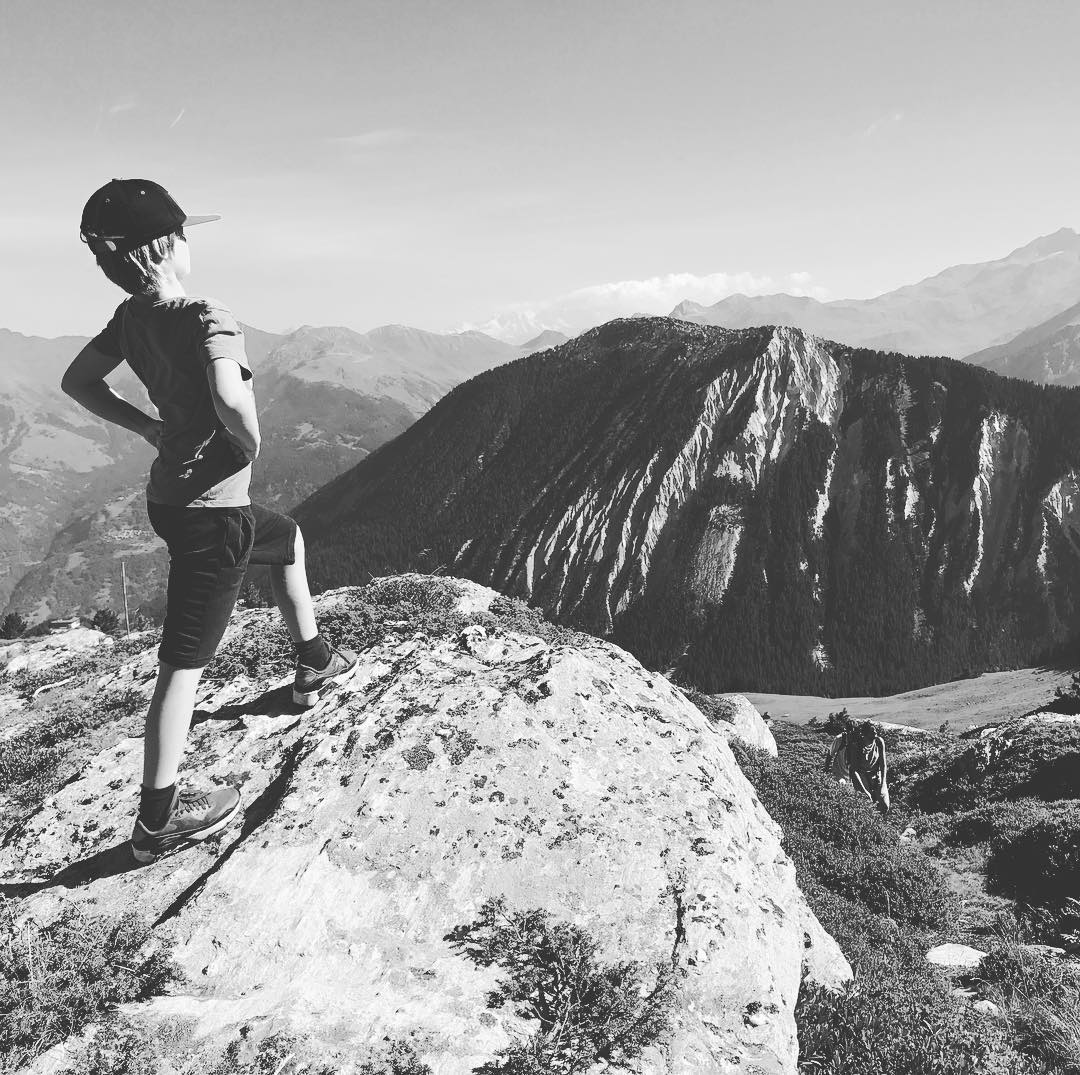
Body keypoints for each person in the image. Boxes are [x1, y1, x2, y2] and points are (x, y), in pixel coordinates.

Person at [63, 178, 357, 864]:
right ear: (167, 244)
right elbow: (230, 396)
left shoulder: (129, 318)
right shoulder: (207, 314)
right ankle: (157, 821)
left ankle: (314, 662)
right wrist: (249, 443)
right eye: (184, 232)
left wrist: (146, 426)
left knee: (286, 538)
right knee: (182, 665)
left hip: (173, 500)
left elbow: (78, 381)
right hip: (213, 514)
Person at [824, 719, 890, 815]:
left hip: (858, 775)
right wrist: (826, 770)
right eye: (849, 731)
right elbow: (830, 754)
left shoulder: (863, 742)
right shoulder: (841, 740)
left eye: (854, 731)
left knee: (882, 804)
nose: (852, 733)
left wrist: (882, 784)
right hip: (840, 773)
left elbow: (882, 764)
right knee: (847, 795)